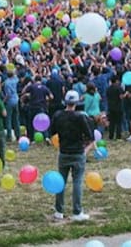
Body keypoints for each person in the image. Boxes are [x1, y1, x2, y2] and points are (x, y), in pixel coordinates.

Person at [51, 90, 94, 222]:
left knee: (61, 182)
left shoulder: (58, 115)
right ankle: (77, 211)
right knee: (77, 182)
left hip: (64, 152)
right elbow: (90, 136)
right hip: (77, 153)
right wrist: (85, 151)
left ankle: (59, 210)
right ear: (76, 103)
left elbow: (52, 133)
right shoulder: (80, 117)